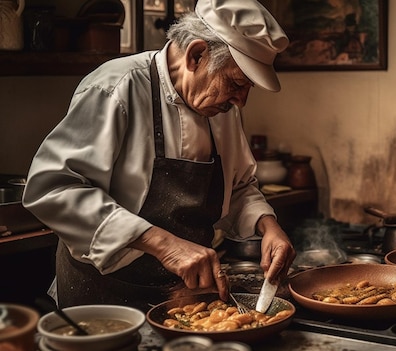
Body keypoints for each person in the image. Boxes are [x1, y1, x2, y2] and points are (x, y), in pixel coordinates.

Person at [22, 0, 296, 312]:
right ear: (196, 55)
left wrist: (268, 226)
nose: (241, 101)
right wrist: (165, 245)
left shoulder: (221, 105)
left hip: (184, 298)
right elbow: (52, 190)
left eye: (248, 88)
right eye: (236, 83)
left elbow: (239, 187)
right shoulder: (116, 87)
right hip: (104, 298)